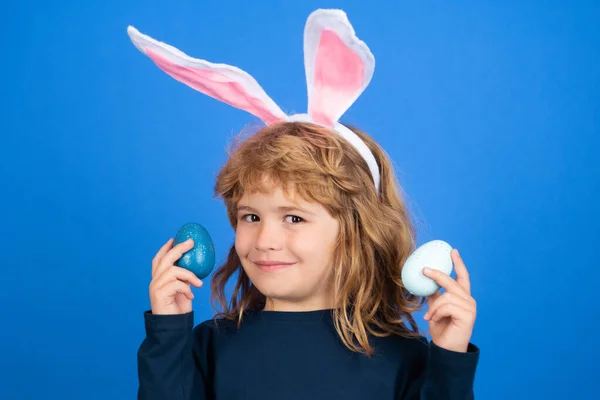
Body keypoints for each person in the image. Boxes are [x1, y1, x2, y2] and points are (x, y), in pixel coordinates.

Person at [128, 9, 480, 400]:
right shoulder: (208, 346)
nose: (265, 239)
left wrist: (449, 362)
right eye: (251, 216)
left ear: (357, 231)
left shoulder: (407, 358)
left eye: (294, 217)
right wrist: (169, 332)